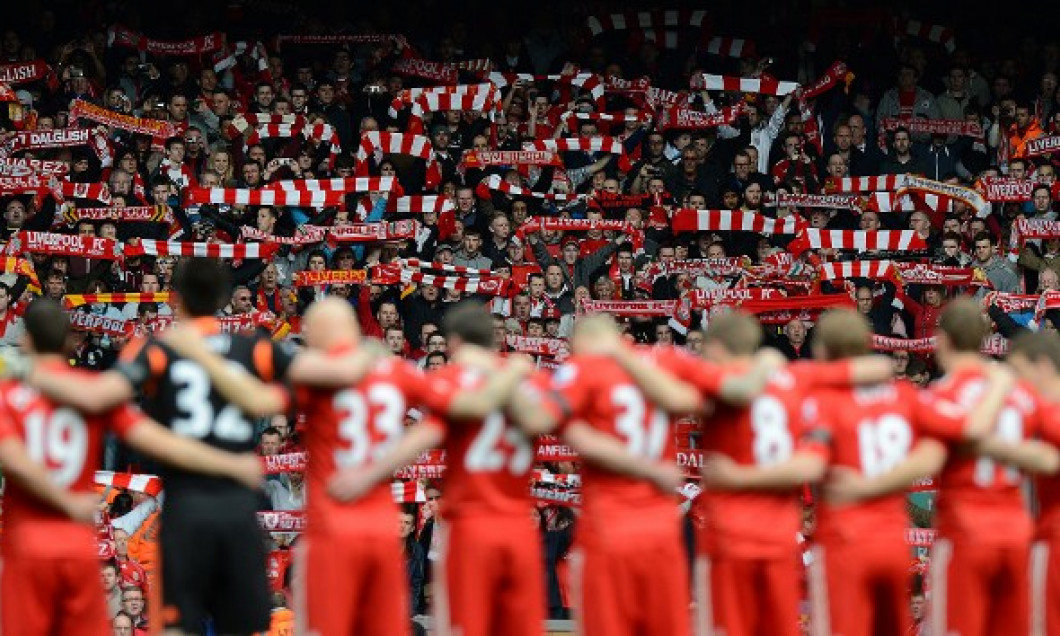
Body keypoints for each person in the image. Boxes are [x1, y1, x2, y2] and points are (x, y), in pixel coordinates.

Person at [16, 260, 384, 636]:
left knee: (177, 626)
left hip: (185, 508)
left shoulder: (157, 351)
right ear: (223, 298)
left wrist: (26, 366)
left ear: (176, 299)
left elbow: (98, 396)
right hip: (239, 507)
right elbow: (336, 372)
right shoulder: (254, 349)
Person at [162, 298, 538, 636]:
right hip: (383, 529)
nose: (306, 333)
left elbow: (255, 398)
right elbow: (462, 411)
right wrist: (512, 371)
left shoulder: (315, 375)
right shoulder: (401, 374)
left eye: (310, 327)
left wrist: (204, 356)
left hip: (333, 526)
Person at [700, 308, 1013, 636]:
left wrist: (738, 476)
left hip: (841, 542)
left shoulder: (818, 399)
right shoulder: (903, 394)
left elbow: (811, 463)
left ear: (820, 350)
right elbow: (956, 436)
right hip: (893, 544)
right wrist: (1000, 382)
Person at [0, 298, 265, 636]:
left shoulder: (10, 393)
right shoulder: (94, 392)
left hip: (28, 544)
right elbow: (156, 439)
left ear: (27, 340)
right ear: (69, 340)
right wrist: (228, 462)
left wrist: (63, 500)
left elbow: (15, 459)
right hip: (80, 547)